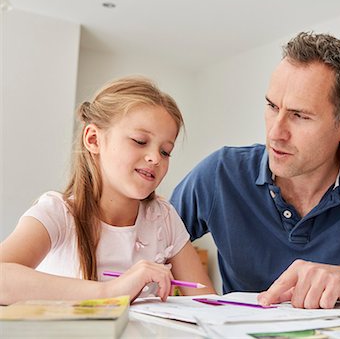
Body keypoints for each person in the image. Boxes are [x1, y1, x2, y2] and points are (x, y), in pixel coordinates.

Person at [170, 32, 340, 309]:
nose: (275, 133)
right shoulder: (220, 173)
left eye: (300, 116)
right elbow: (145, 242)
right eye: (271, 106)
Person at [0, 76, 215, 305]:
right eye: (140, 141)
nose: (155, 158)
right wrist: (110, 292)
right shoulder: (58, 213)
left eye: (165, 151)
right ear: (93, 139)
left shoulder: (163, 217)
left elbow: (208, 304)